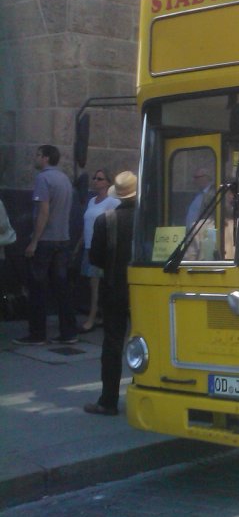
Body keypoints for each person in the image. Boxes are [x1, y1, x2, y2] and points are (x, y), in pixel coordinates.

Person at [83, 171, 137, 416]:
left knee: (113, 344)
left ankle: (108, 401)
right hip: (143, 290)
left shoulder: (106, 220)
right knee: (146, 341)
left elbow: (95, 258)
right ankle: (141, 390)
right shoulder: (150, 219)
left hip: (114, 288)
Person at [15, 145, 76, 346]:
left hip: (45, 240)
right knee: (62, 288)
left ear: (46, 158)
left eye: (38, 155)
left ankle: (37, 334)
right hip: (63, 239)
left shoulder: (43, 179)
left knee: (37, 287)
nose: (36, 158)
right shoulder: (65, 179)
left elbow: (43, 211)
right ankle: (68, 332)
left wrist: (34, 241)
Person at [75, 168, 119, 333]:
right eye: (94, 178)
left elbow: (115, 225)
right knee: (93, 283)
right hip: (88, 246)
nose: (95, 181)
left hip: (101, 248)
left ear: (108, 182)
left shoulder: (112, 202)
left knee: (95, 284)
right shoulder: (92, 200)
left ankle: (92, 319)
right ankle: (101, 315)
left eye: (100, 178)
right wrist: (79, 245)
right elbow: (87, 225)